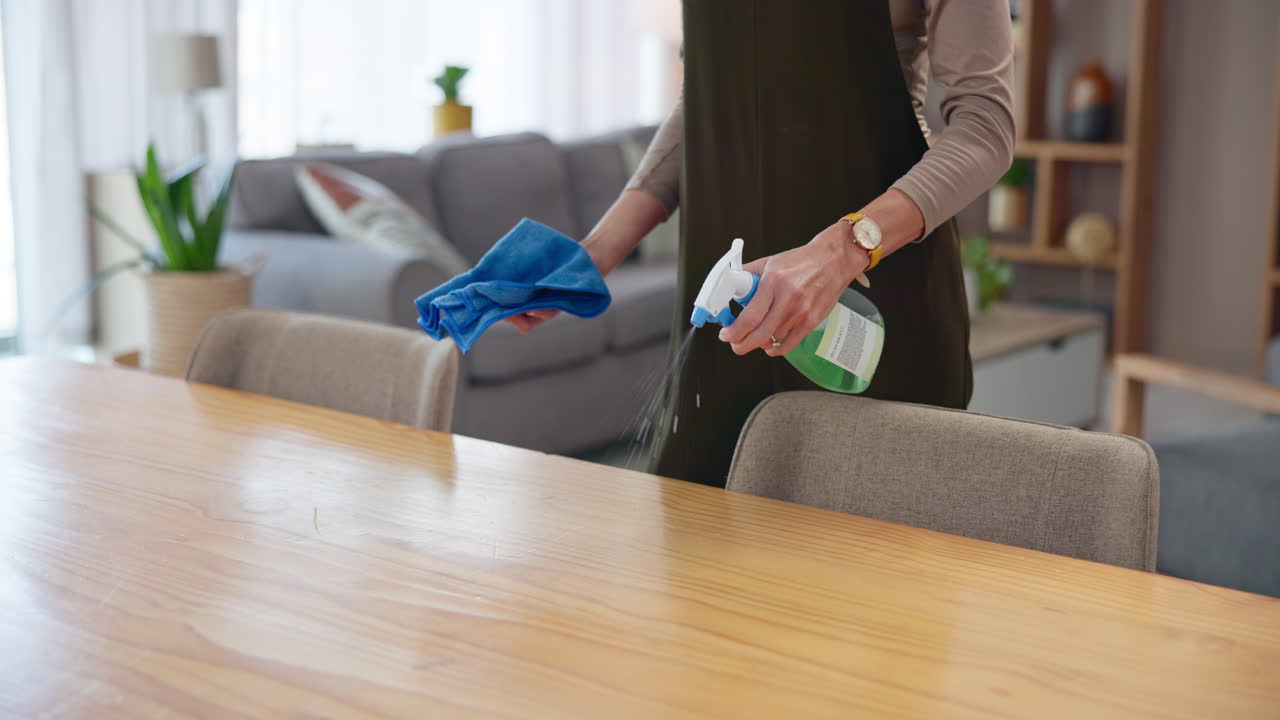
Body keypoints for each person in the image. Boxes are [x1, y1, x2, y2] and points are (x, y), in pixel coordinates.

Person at [508, 0, 1015, 486]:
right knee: (693, 532)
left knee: (874, 534)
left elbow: (984, 126)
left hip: (871, 305)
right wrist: (596, 251)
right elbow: (704, 102)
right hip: (728, 314)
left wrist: (840, 252)